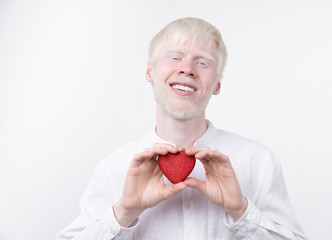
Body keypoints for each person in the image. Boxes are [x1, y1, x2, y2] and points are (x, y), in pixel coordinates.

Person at [56, 17, 307, 240]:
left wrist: (240, 210)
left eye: (203, 62)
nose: (187, 68)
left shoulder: (259, 161)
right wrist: (124, 213)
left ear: (217, 84)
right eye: (175, 57)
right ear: (149, 71)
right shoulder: (113, 168)